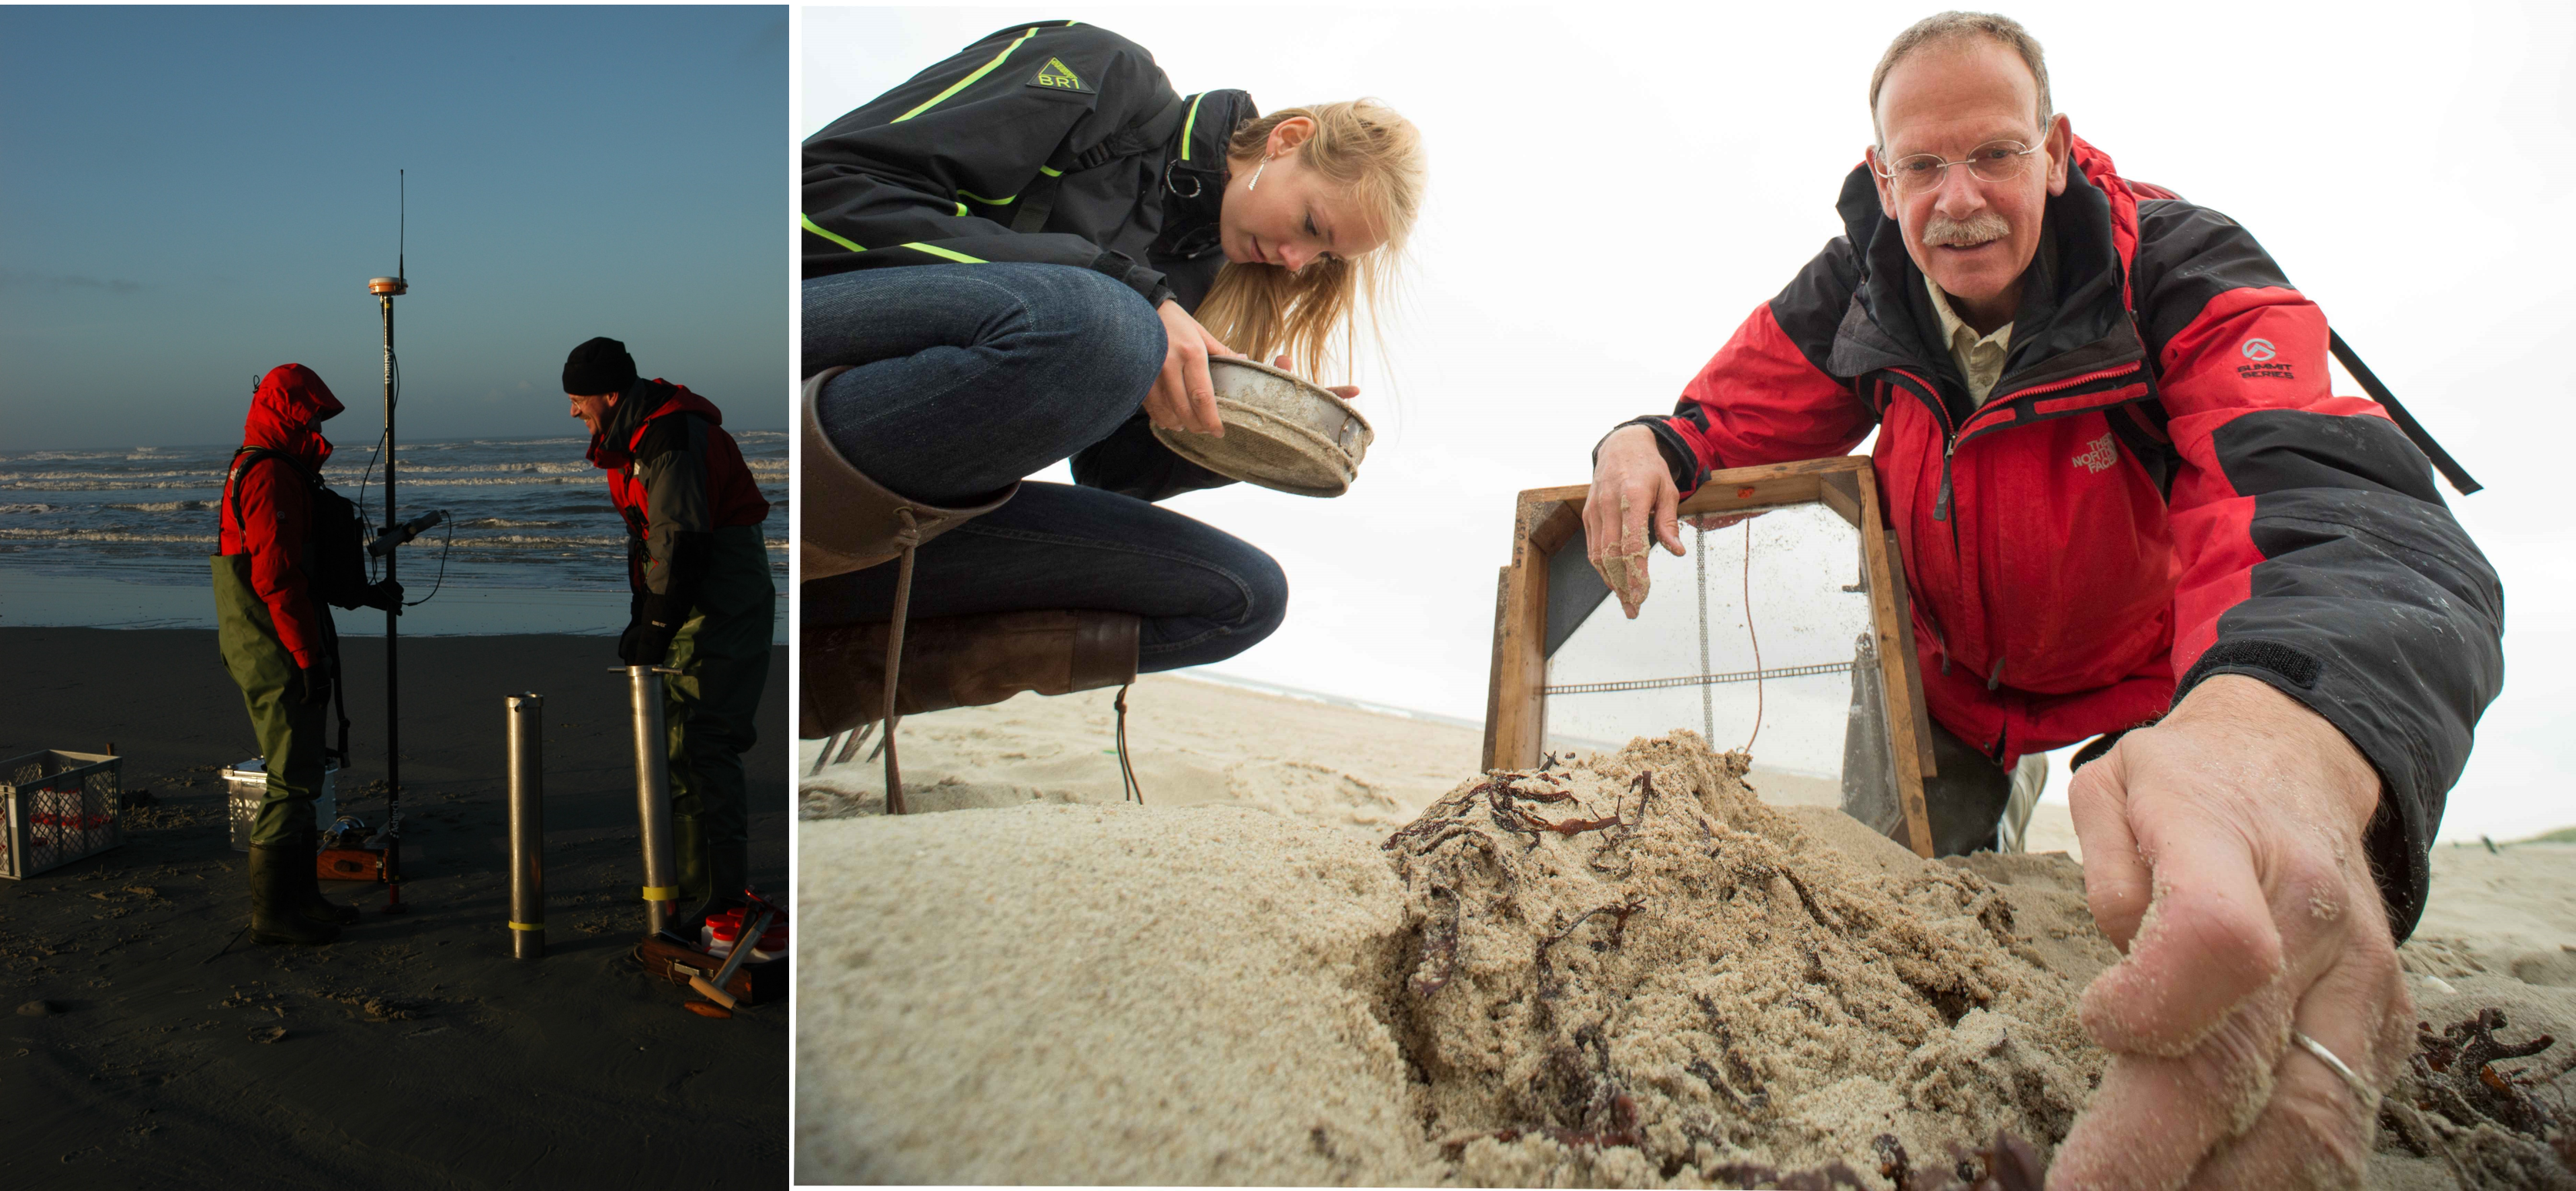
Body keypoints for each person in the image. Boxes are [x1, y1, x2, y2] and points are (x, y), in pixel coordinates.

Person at [1583, 12, 2503, 1187]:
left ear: (2055, 148)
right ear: (1880, 172)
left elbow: (2327, 499)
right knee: (1901, 889)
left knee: (2200, 929)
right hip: (1951, 670)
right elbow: (1733, 413)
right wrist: (1646, 437)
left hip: (2159, 679)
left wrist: (2283, 732)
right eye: (1920, 165)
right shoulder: (1860, 277)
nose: (1956, 198)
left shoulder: (2180, 265)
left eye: (1995, 154)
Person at [796, 21, 1423, 749]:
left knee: (1242, 595)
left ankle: (812, 666)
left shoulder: (1208, 280)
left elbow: (1106, 474)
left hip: (925, 496)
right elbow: (819, 194)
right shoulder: (1104, 75)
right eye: (1311, 223)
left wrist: (1232, 422)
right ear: (1287, 139)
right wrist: (1127, 293)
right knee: (1110, 325)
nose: (1293, 259)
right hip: (808, 362)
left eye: (1322, 255)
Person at [564, 336, 775, 943]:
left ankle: (717, 901)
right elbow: (656, 541)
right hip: (691, 591)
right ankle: (686, 886)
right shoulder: (638, 437)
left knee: (701, 739)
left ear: (611, 393)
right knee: (678, 741)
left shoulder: (671, 438)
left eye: (579, 399)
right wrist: (648, 614)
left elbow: (683, 543)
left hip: (720, 595)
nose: (574, 411)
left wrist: (655, 626)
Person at [212, 363, 401, 945]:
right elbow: (276, 580)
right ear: (291, 412)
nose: (319, 421)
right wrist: (305, 657)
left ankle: (302, 897)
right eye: (313, 412)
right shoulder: (269, 475)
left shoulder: (278, 468)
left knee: (301, 771)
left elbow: (298, 574)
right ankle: (273, 911)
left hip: (276, 636)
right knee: (291, 777)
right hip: (272, 642)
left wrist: (360, 596)